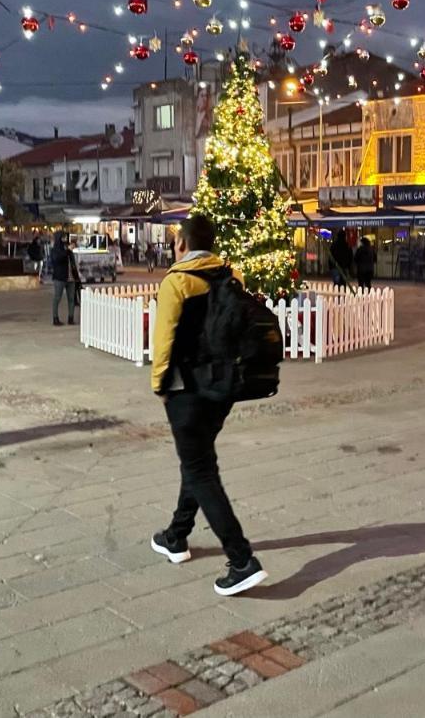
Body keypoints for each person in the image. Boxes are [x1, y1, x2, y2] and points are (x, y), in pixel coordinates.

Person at [150, 214, 266, 597]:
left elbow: (164, 339)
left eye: (175, 241)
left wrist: (159, 385)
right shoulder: (231, 277)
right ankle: (176, 535)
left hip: (186, 391)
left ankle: (241, 559)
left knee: (201, 470)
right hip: (222, 389)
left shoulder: (177, 282)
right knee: (197, 460)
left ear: (182, 243)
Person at [49, 232, 80, 326]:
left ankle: (71, 318)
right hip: (60, 277)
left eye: (66, 238)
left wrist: (76, 276)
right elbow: (57, 259)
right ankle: (55, 318)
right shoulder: (55, 250)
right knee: (57, 298)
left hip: (71, 277)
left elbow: (72, 261)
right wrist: (67, 251)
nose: (65, 240)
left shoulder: (67, 248)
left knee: (71, 299)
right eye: (63, 238)